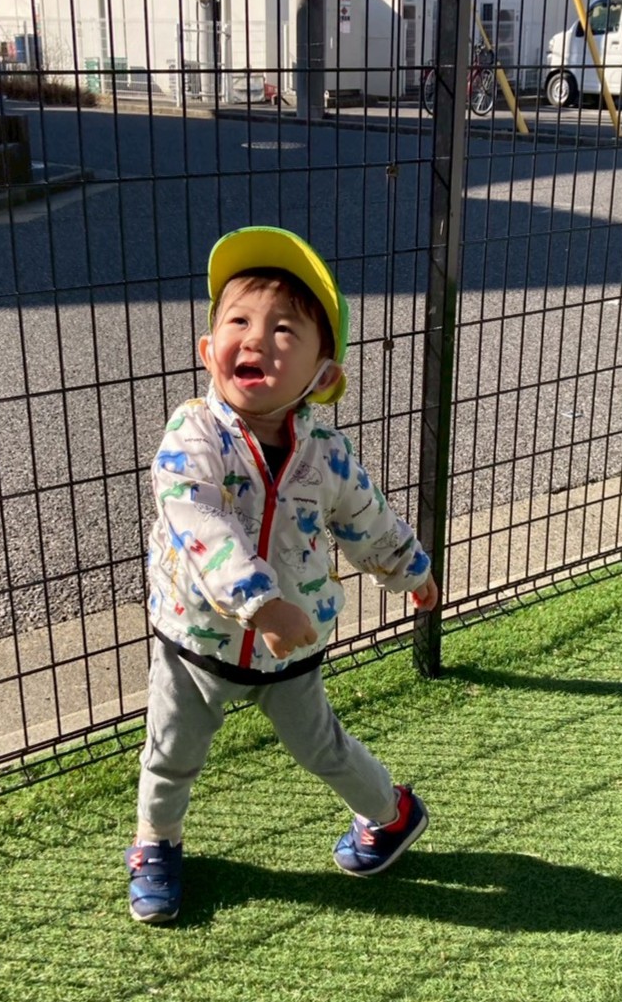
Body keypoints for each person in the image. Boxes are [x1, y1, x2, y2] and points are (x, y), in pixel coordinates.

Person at [125, 226, 439, 923]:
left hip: (291, 647)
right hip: (195, 639)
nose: (257, 339)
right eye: (238, 321)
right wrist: (259, 602)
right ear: (208, 348)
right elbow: (196, 516)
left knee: (322, 746)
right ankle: (156, 841)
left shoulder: (326, 453)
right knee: (170, 753)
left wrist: (408, 568)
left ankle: (390, 813)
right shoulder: (193, 434)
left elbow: (366, 518)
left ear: (322, 377)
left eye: (285, 329)